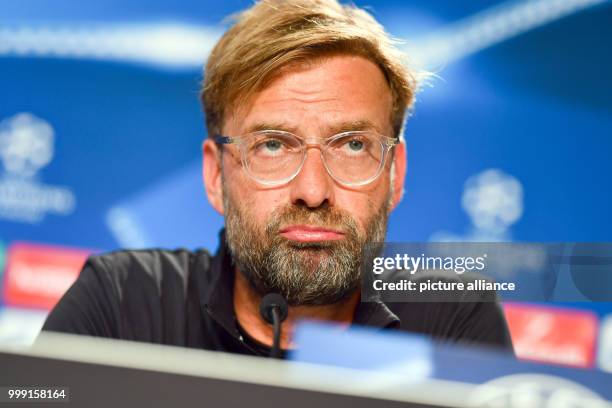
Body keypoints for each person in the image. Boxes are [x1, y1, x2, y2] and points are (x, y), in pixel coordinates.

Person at [42, 0, 513, 356]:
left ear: (394, 174)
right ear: (214, 174)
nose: (313, 191)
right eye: (272, 145)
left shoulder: (453, 322)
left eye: (352, 145)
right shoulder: (121, 303)